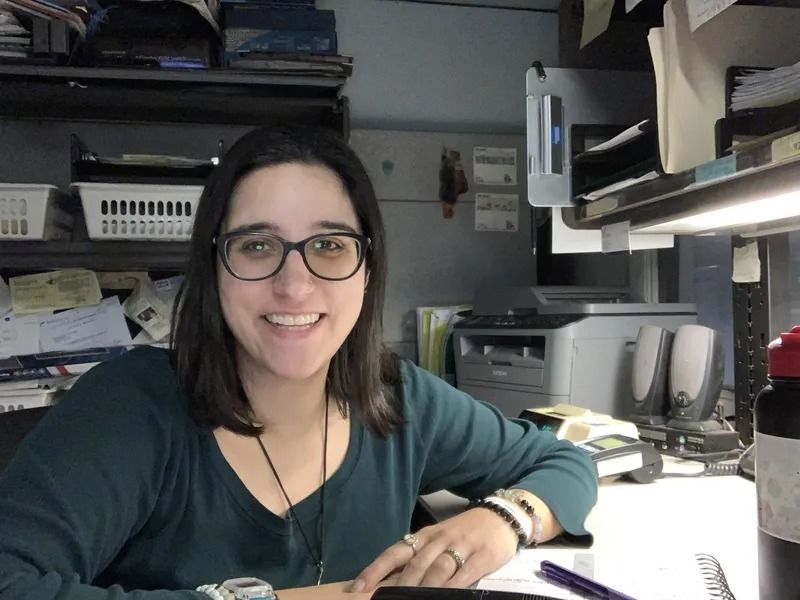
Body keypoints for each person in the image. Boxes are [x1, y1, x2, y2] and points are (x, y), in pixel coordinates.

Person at [0, 126, 598, 600]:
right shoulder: (129, 407)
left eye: (329, 245)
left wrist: (503, 521)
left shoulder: (399, 398)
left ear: (366, 270)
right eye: (257, 246)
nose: (295, 285)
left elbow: (562, 462)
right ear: (214, 267)